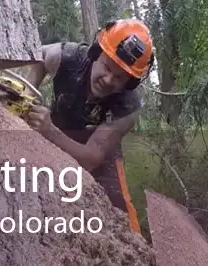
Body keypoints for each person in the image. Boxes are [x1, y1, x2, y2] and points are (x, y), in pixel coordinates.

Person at [23, 19, 155, 235]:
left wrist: (48, 131)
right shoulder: (68, 56)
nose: (109, 79)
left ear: (130, 83)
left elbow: (92, 159)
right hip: (59, 130)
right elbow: (40, 56)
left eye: (120, 78)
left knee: (119, 205)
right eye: (107, 67)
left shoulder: (128, 107)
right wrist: (28, 92)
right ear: (96, 53)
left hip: (99, 150)